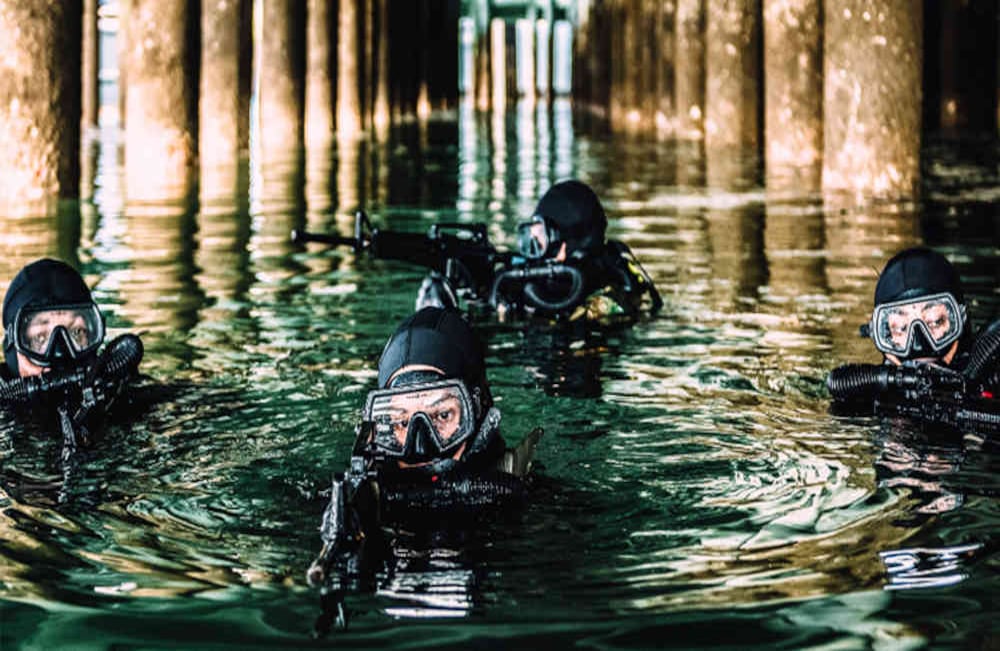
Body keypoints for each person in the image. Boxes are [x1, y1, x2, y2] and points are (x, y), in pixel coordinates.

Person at [307, 306, 541, 590]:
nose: (418, 447)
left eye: (442, 415)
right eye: (401, 422)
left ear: (478, 411)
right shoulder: (351, 503)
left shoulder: (526, 503)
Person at [417, 180, 661, 322]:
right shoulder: (553, 288)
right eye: (530, 240)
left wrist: (448, 320)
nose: (534, 253)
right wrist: (479, 291)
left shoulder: (608, 299)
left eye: (540, 240)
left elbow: (553, 323)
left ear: (568, 246)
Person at [827, 247, 999, 429]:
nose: (918, 344)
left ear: (961, 320)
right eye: (901, 328)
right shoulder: (864, 396)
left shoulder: (992, 379)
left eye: (935, 321)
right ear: (882, 335)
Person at [0, 258, 144, 449]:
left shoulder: (126, 402)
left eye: (77, 333)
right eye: (40, 338)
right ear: (12, 346)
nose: (60, 353)